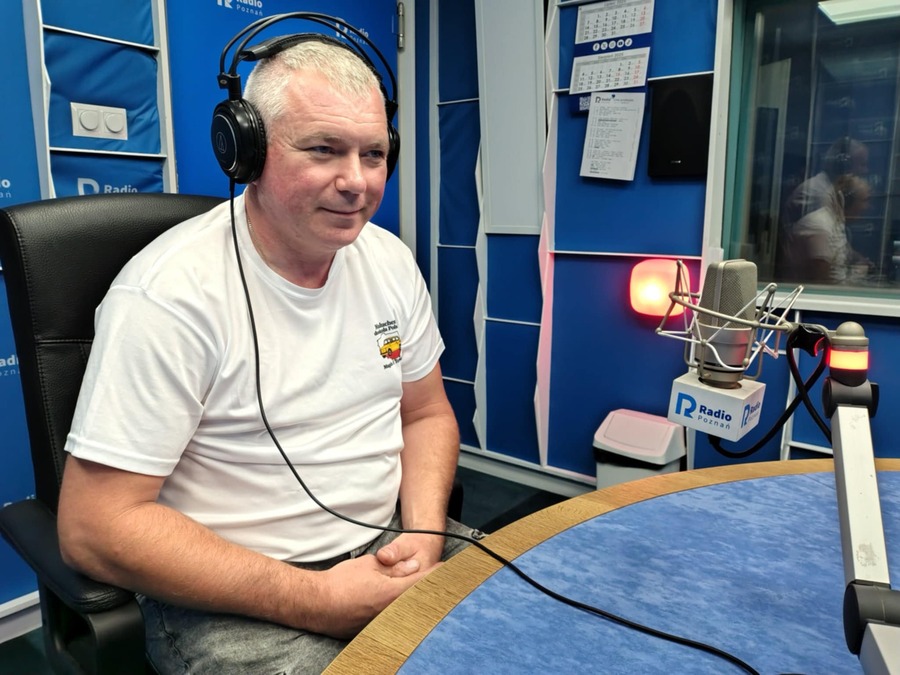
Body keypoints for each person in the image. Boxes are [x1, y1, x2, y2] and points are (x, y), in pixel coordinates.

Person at [56, 31, 481, 674]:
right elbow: (94, 527)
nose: (357, 182)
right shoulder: (170, 295)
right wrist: (318, 599)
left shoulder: (390, 261)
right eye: (324, 150)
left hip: (393, 544)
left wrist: (424, 534)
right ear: (247, 151)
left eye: (373, 153)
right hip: (236, 593)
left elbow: (424, 414)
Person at [779, 172, 872, 284]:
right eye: (864, 201)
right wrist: (858, 274)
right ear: (848, 201)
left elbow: (841, 252)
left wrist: (859, 260)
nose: (867, 207)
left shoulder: (835, 222)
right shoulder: (820, 229)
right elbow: (821, 284)